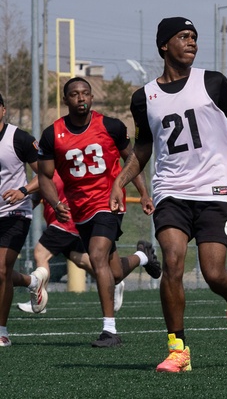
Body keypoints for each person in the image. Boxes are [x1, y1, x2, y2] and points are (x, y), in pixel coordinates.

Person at [110, 17, 227, 372]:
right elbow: (144, 148)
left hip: (216, 187)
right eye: (183, 36)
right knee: (172, 262)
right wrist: (120, 180)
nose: (191, 42)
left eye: (194, 37)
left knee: (213, 273)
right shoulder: (144, 96)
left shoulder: (213, 82)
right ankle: (178, 349)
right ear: (164, 45)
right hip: (171, 189)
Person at [35, 77, 158, 346]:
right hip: (79, 208)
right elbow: (44, 176)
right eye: (75, 94)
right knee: (111, 273)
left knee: (97, 256)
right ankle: (143, 256)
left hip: (109, 201)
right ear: (66, 100)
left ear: (91, 98)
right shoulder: (52, 134)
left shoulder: (110, 126)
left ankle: (110, 330)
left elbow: (132, 160)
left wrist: (144, 193)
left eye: (85, 93)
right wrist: (56, 203)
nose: (81, 98)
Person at [17, 172, 161, 315]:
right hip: (66, 221)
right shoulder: (49, 164)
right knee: (85, 261)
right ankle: (130, 267)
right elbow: (37, 195)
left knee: (40, 253)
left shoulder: (55, 162)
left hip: (66, 221)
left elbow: (44, 177)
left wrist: (22, 190)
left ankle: (39, 299)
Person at [0, 93, 49, 347]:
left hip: (15, 212)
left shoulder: (19, 138)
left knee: (1, 269)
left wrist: (23, 191)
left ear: (3, 110)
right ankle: (32, 281)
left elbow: (45, 174)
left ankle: (2, 332)